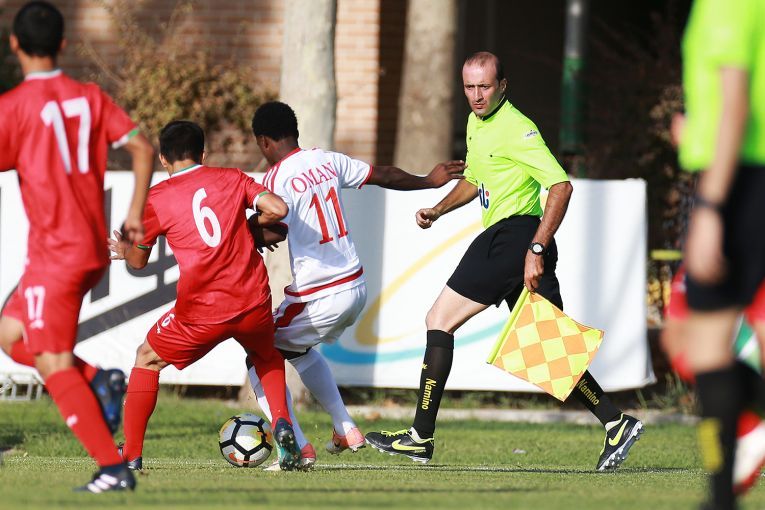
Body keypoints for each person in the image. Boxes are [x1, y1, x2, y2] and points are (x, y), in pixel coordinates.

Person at [366, 51, 643, 470]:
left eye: (485, 86)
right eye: (469, 87)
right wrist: (438, 210)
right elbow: (475, 179)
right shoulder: (475, 123)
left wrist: (536, 249)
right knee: (545, 347)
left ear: (503, 86)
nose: (477, 95)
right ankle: (616, 423)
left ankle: (420, 437)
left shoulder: (517, 128)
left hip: (515, 238)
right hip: (511, 241)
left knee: (439, 320)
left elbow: (561, 186)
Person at [245, 101, 466, 470]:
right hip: (355, 287)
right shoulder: (326, 160)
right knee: (296, 350)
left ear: (264, 141)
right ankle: (345, 427)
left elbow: (275, 226)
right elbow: (384, 175)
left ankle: (296, 447)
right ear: (295, 132)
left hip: (319, 293)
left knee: (258, 353)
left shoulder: (274, 179)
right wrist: (428, 180)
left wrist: (250, 233)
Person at [0, 1, 154, 493]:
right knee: (10, 334)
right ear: (63, 45)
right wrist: (134, 213)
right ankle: (98, 380)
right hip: (89, 248)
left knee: (52, 362)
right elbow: (143, 147)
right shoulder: (89, 97)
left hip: (55, 253)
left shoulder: (12, 107)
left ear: (14, 44)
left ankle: (112, 468)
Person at [107, 120, 303, 471]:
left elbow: (137, 262)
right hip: (252, 299)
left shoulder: (156, 198)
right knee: (265, 354)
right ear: (203, 154)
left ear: (163, 159)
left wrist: (125, 250)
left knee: (146, 358)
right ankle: (282, 423)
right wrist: (245, 229)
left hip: (202, 310)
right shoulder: (233, 178)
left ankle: (131, 455)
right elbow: (277, 209)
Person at [679, 0, 765, 507]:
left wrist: (710, 206)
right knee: (704, 349)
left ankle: (719, 499)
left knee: (705, 349)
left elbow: (737, 104)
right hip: (734, 172)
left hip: (738, 180)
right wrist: (692, 135)